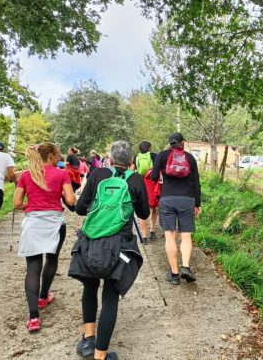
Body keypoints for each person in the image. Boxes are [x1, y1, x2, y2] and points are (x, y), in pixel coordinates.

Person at [69, 141, 149, 360]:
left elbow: (79, 209)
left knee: (89, 287)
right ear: (131, 161)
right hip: (119, 244)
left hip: (91, 240)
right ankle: (101, 355)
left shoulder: (98, 174)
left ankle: (88, 340)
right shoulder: (135, 179)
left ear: (110, 160)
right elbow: (143, 214)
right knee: (110, 296)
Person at [13, 142, 76, 332]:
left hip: (33, 223)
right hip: (55, 223)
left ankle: (33, 318)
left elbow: (17, 203)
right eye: (57, 154)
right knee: (52, 259)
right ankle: (43, 296)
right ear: (50, 155)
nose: (59, 157)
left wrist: (32, 205)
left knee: (33, 268)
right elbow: (71, 200)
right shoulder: (61, 173)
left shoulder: (26, 175)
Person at [151, 132, 201, 285]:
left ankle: (174, 275)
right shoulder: (190, 158)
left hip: (167, 199)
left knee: (170, 236)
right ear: (182, 142)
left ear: (170, 142)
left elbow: (153, 177)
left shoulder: (162, 155)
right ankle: (185, 267)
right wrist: (197, 204)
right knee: (186, 236)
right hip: (187, 200)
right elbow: (196, 183)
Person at [132, 141, 158, 242]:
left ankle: (144, 236)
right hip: (151, 182)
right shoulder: (154, 156)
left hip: (140, 182)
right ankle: (152, 230)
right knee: (153, 207)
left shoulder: (136, 157)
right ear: (149, 148)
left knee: (142, 208)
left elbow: (132, 169)